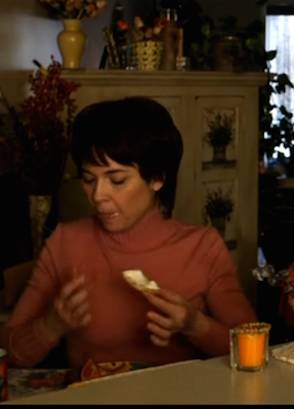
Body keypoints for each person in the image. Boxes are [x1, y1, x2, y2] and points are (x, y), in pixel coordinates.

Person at [1, 97, 257, 371]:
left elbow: (252, 349)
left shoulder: (202, 247)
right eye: (89, 179)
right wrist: (50, 326)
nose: (98, 195)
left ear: (157, 178)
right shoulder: (66, 242)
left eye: (117, 180)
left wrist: (195, 325)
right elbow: (9, 351)